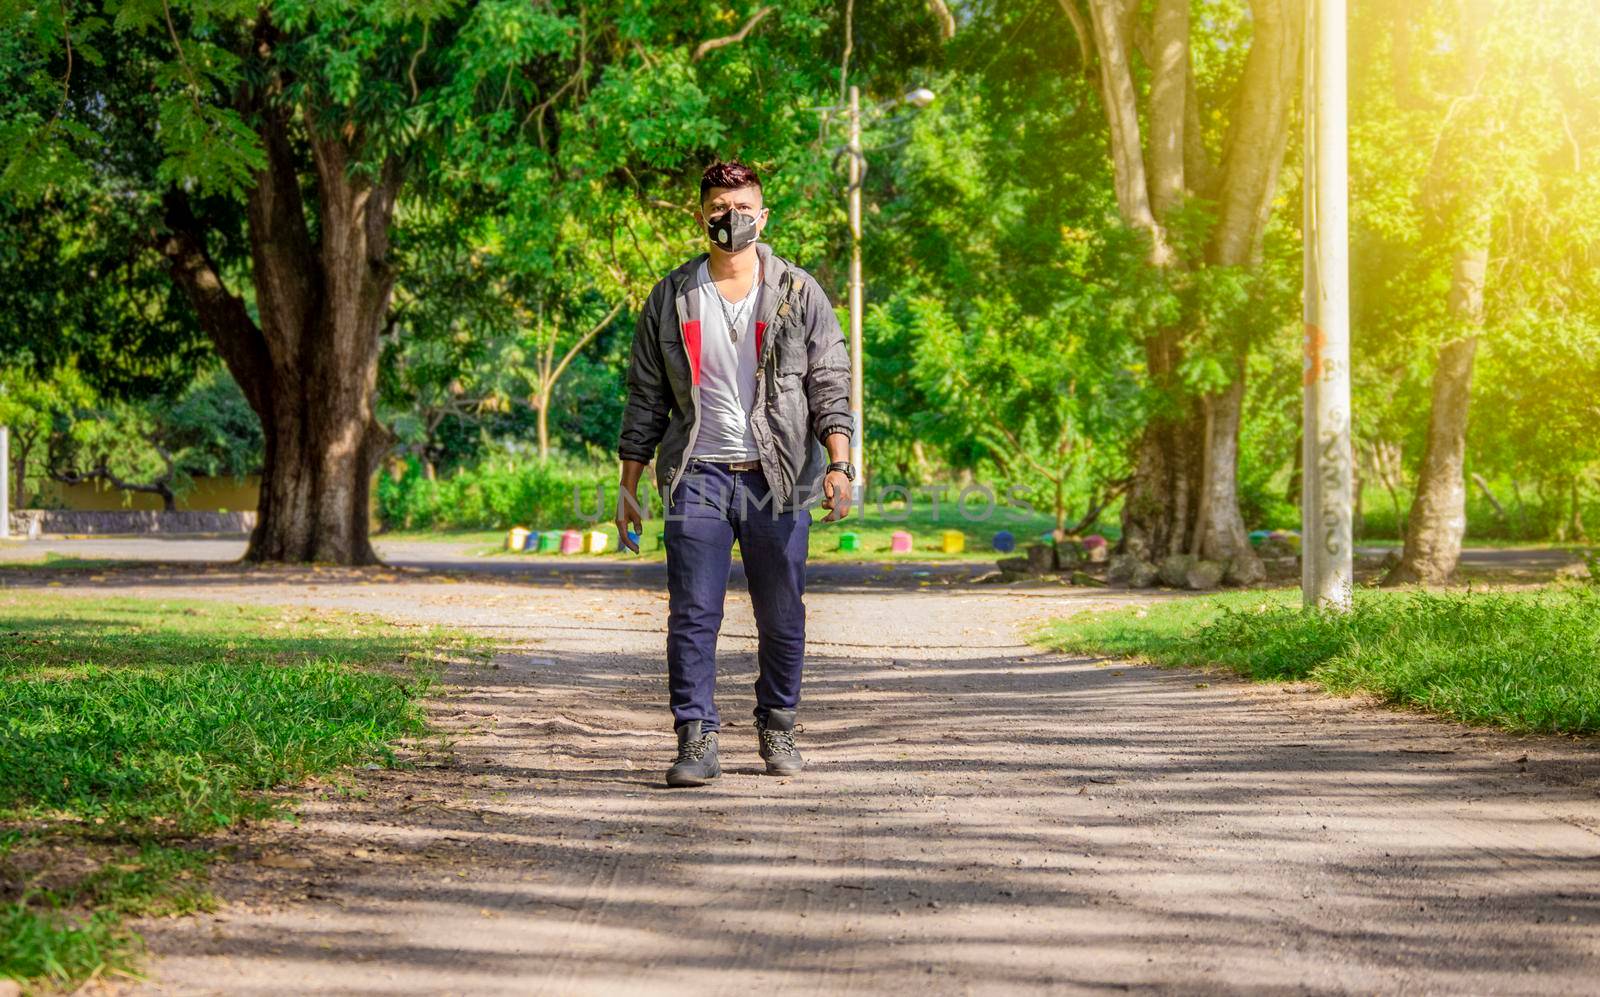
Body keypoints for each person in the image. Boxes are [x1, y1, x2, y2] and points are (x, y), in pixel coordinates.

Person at [615, 160, 855, 788]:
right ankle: (695, 737)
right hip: (697, 473)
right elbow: (646, 396)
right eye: (720, 208)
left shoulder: (799, 293)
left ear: (764, 215)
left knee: (782, 614)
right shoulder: (671, 296)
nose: (731, 219)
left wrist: (839, 463)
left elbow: (830, 381)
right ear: (702, 216)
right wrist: (629, 483)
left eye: (743, 207)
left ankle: (778, 722)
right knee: (693, 613)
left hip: (777, 479)